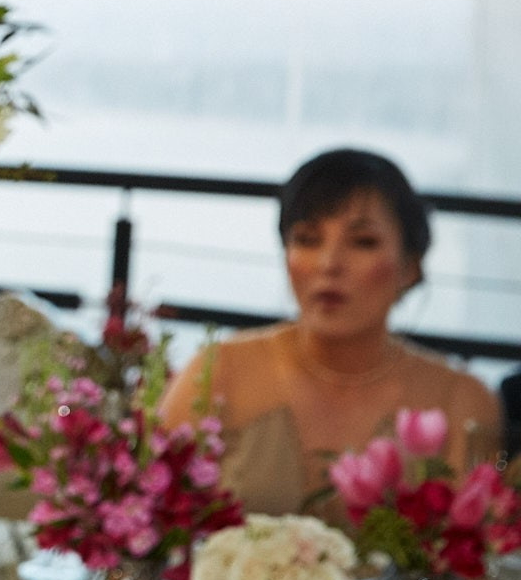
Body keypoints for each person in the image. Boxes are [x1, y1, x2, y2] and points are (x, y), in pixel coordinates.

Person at [160, 148, 502, 516]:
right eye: (307, 239)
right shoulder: (218, 373)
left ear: (410, 267)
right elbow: (153, 520)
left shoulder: (460, 400)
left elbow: (480, 555)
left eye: (363, 242)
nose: (329, 264)